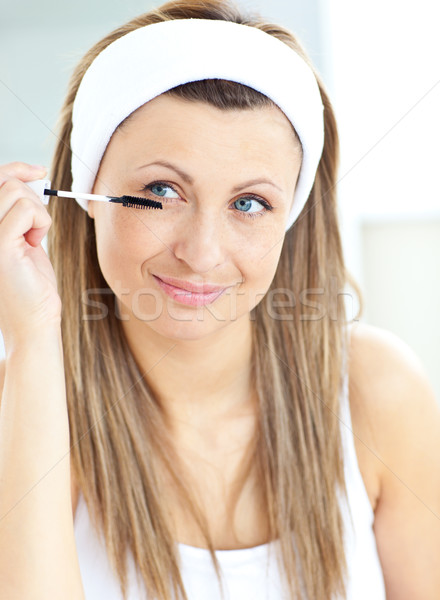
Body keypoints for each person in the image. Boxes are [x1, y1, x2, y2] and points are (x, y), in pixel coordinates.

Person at [0, 1, 439, 599]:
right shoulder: (22, 401)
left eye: (250, 203)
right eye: (161, 191)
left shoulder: (376, 392)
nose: (202, 253)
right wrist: (32, 344)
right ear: (86, 190)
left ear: (291, 218)